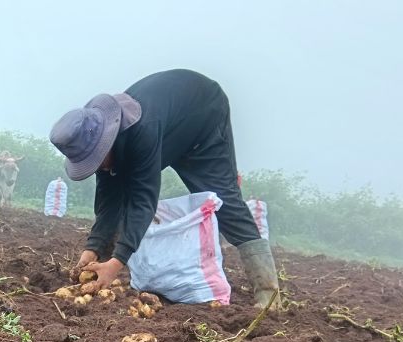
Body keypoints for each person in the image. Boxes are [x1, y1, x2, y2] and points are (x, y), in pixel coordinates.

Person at [49, 69, 279, 308]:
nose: (98, 167)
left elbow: (143, 201)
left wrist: (117, 263)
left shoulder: (142, 131)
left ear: (106, 142)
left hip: (203, 117)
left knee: (225, 200)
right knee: (116, 183)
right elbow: (108, 201)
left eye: (96, 159)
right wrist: (93, 247)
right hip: (171, 126)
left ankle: (269, 295)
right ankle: (101, 265)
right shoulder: (97, 138)